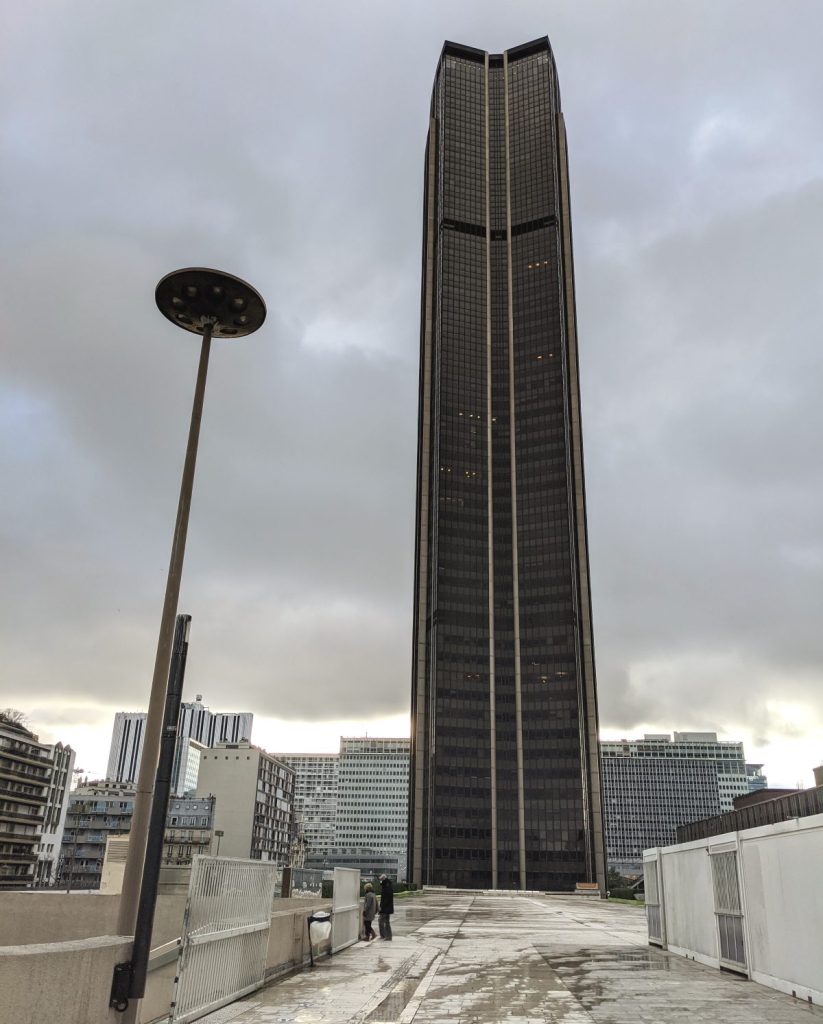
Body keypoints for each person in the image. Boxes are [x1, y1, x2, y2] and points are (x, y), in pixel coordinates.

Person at [378, 874, 394, 940]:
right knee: (386, 922)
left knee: (381, 921)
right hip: (387, 908)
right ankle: (387, 936)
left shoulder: (386, 886)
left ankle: (384, 935)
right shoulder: (387, 885)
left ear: (383, 879)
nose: (380, 881)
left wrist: (382, 907)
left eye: (381, 880)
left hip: (385, 908)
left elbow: (386, 899)